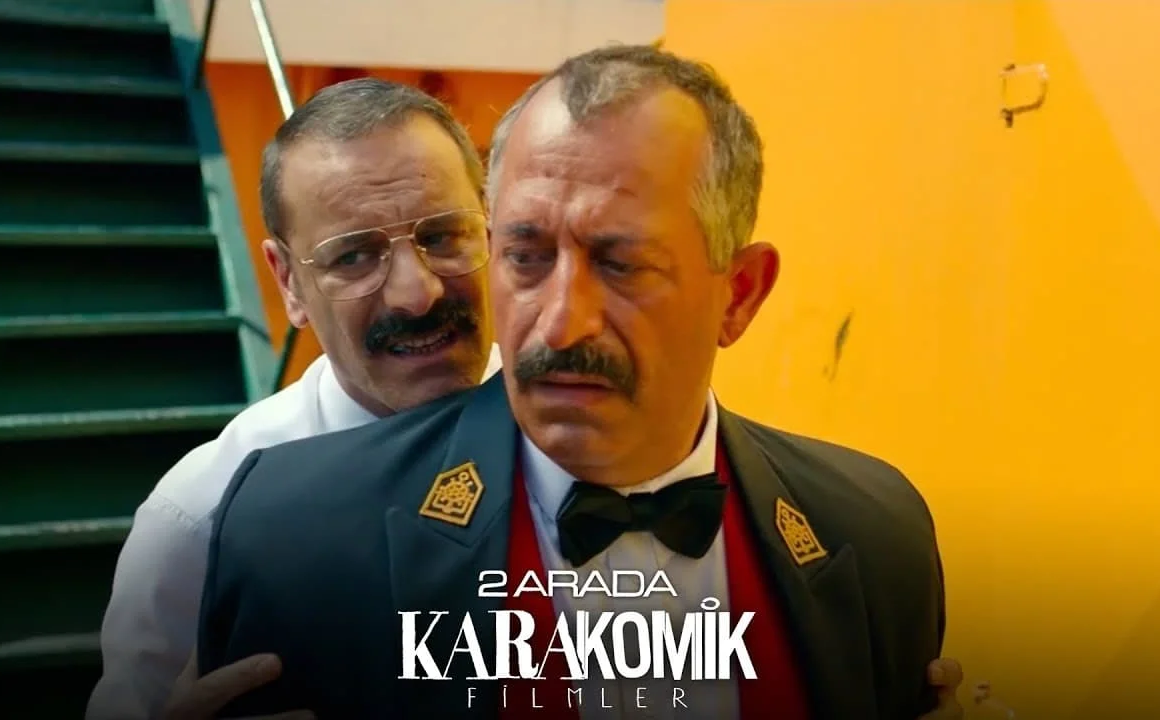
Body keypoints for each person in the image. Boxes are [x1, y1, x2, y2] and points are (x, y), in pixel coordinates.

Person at [193, 45, 952, 720]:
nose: (560, 325)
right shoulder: (291, 534)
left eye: (621, 265)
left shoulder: (875, 535)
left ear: (740, 294)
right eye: (526, 257)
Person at [87, 78, 502, 720]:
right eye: (354, 256)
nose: (416, 294)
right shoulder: (200, 515)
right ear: (289, 283)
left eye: (444, 237)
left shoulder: (581, 436)